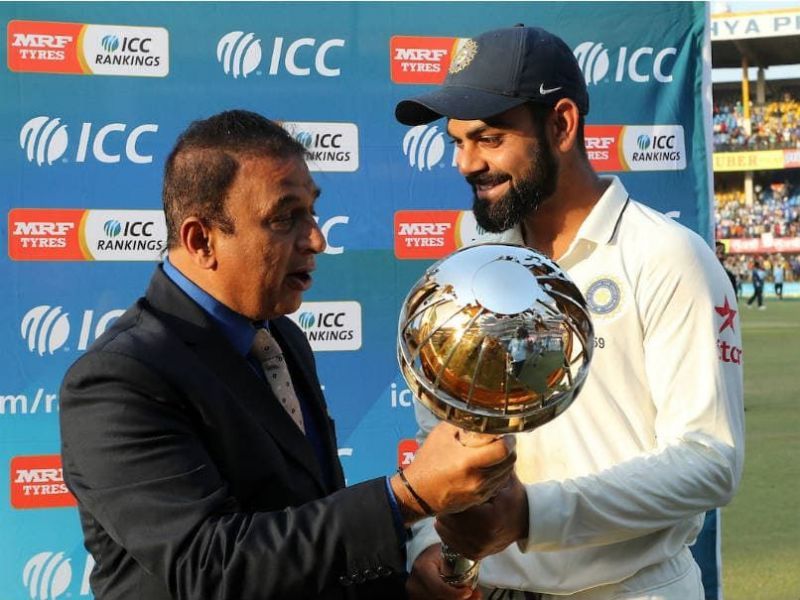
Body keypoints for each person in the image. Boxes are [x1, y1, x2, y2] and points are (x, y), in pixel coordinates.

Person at [59, 110, 517, 600]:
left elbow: (305, 530)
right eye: (284, 219)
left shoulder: (280, 338)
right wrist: (407, 496)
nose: (316, 238)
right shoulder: (117, 380)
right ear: (201, 240)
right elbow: (212, 568)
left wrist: (406, 587)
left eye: (312, 212)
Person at [395, 25, 744, 600]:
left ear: (561, 124)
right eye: (457, 141)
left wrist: (533, 515)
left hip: (632, 589)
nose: (465, 163)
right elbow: (441, 433)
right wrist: (428, 547)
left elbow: (709, 461)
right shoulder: (472, 264)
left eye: (487, 138)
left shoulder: (665, 255)